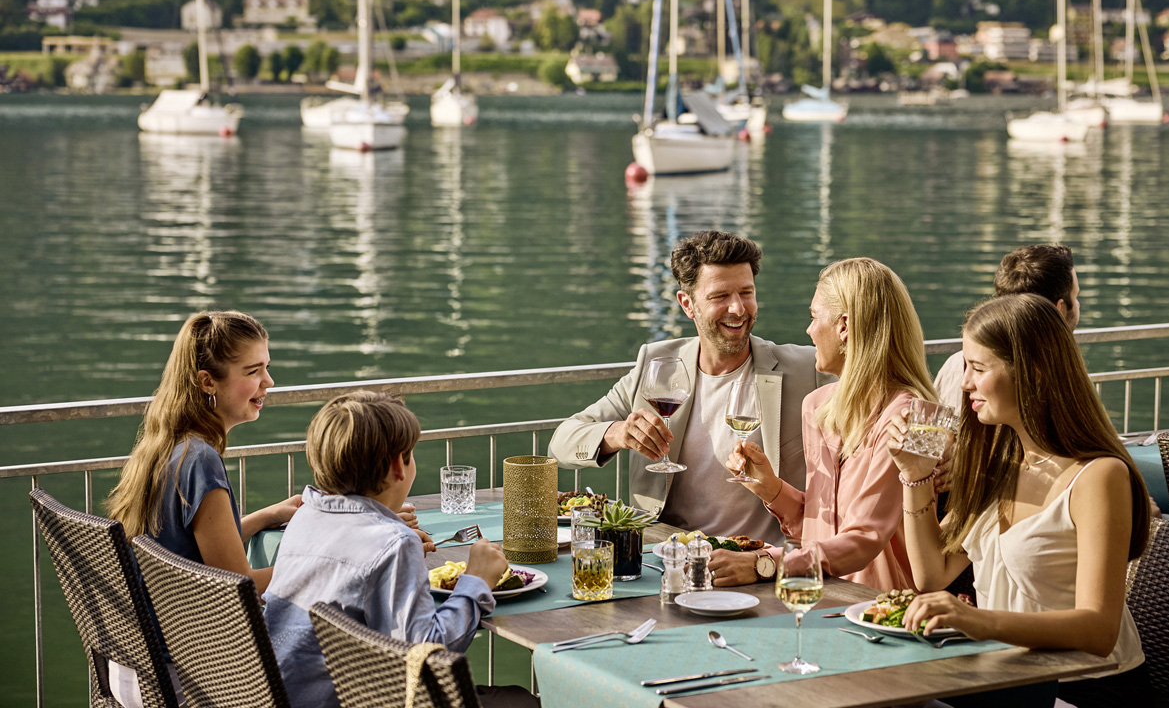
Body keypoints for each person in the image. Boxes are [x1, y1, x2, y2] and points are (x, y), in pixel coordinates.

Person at [886, 294, 1151, 708]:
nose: (964, 383)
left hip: (1082, 689)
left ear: (1034, 372)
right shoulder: (999, 462)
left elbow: (1099, 631)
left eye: (978, 368)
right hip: (1003, 678)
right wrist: (915, 474)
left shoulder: (1098, 476)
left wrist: (979, 621)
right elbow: (931, 573)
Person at [548, 231, 830, 562]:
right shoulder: (655, 364)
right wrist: (617, 433)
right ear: (687, 304)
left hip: (759, 562)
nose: (738, 308)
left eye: (746, 293)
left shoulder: (806, 369)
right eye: (720, 296)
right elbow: (561, 442)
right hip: (666, 557)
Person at [263, 391, 536, 708]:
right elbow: (426, 655)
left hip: (286, 695)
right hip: (356, 700)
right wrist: (477, 580)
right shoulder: (395, 543)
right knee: (525, 701)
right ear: (398, 465)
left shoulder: (307, 514)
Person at [721, 257, 936, 591]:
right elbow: (822, 529)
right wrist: (771, 488)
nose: (808, 330)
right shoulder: (817, 406)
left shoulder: (917, 419)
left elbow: (865, 537)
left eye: (813, 316)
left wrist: (765, 563)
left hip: (881, 605)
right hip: (816, 593)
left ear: (844, 326)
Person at [106, 310, 301, 596]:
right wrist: (326, 564)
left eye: (266, 367)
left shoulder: (171, 446)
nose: (269, 381)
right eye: (253, 371)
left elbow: (189, 547)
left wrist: (266, 516)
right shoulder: (201, 461)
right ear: (208, 382)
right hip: (194, 624)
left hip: (166, 616)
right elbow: (239, 586)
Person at [934, 244, 1079, 409]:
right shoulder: (1054, 377)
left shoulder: (955, 365)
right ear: (1058, 310)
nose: (966, 384)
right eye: (1075, 297)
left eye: (978, 369)